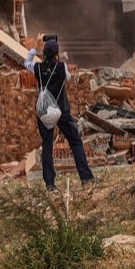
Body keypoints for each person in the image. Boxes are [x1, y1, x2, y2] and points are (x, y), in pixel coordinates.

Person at [30, 35, 94, 189]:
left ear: (44, 53)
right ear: (57, 53)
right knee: (75, 142)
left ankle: (50, 183)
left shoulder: (37, 68)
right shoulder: (61, 67)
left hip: (44, 112)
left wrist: (34, 48)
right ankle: (86, 178)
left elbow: (26, 61)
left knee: (47, 145)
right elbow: (69, 78)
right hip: (61, 111)